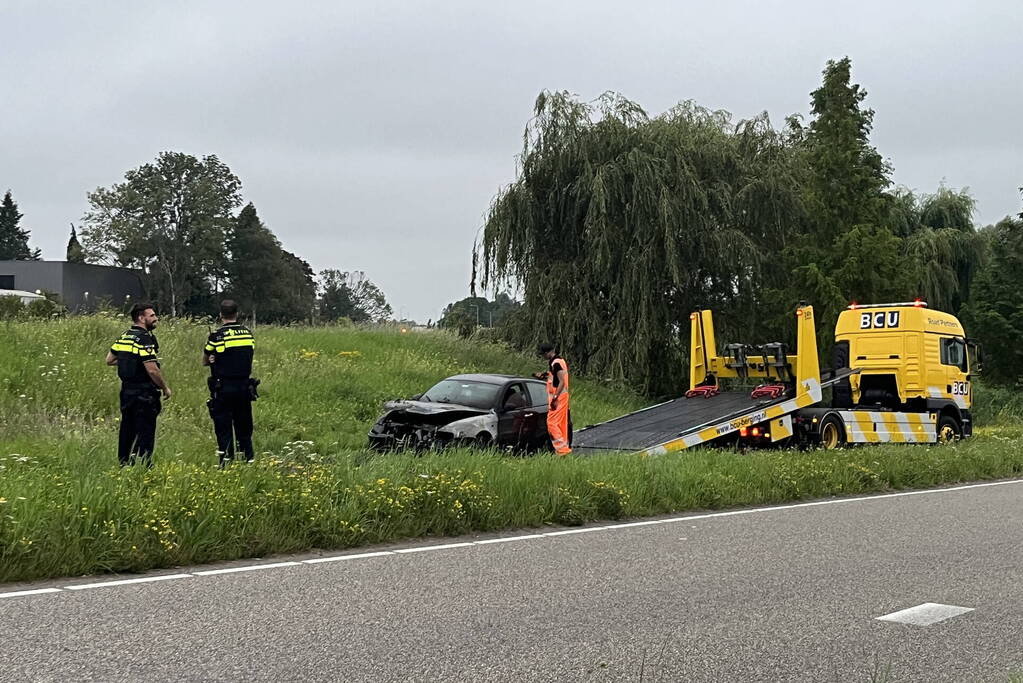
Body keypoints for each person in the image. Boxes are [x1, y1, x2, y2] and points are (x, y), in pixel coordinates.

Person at [105, 302, 170, 467]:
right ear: (141, 318)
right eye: (152, 315)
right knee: (145, 431)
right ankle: (143, 465)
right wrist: (165, 388)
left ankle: (124, 463)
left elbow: (110, 360)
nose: (156, 318)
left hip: (127, 392)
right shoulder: (144, 338)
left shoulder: (125, 335)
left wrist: (130, 362)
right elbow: (153, 370)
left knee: (127, 429)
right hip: (144, 393)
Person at [203, 300, 257, 466]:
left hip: (223, 388)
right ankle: (248, 459)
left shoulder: (216, 336)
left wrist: (214, 358)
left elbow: (205, 360)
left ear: (221, 315)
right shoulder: (247, 334)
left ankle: (226, 462)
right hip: (244, 387)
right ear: (237, 314)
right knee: (244, 426)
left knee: (224, 427)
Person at [536, 343, 572, 455]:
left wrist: (555, 397)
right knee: (561, 424)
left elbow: (561, 381)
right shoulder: (556, 361)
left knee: (551, 423)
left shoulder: (556, 363)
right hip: (561, 397)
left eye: (543, 354)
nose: (543, 357)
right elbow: (555, 376)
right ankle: (563, 448)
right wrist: (544, 375)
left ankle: (562, 450)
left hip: (559, 398)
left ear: (548, 352)